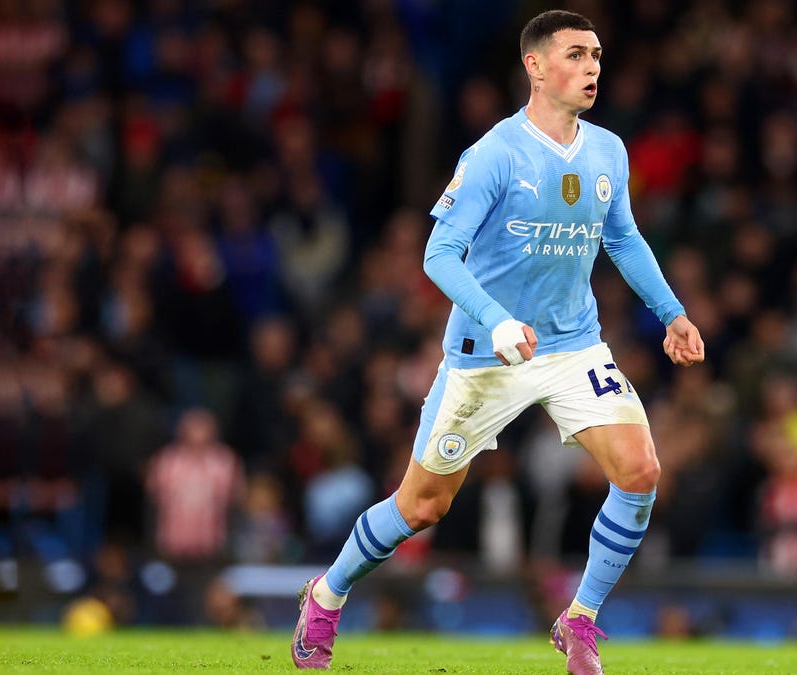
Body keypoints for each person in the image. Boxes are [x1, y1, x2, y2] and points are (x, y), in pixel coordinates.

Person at [291, 10, 705, 674]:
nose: (593, 66)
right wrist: (497, 320)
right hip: (488, 354)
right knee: (422, 505)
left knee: (642, 470)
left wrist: (672, 313)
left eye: (597, 54)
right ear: (535, 66)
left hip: (573, 345)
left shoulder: (608, 151)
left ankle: (580, 619)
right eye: (575, 54)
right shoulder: (493, 154)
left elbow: (622, 237)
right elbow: (438, 254)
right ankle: (326, 593)